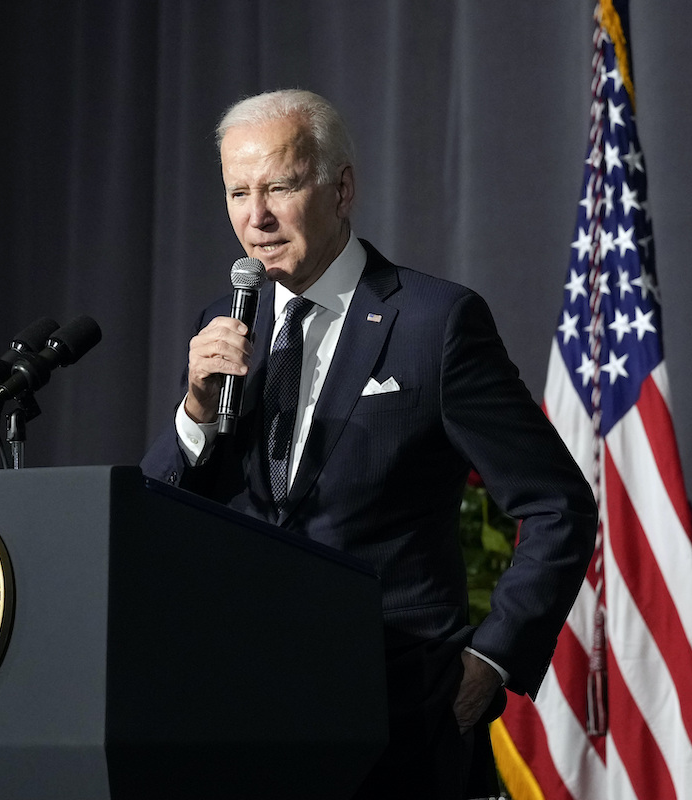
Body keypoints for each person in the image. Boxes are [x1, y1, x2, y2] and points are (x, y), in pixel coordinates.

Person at [141, 88, 596, 799]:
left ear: (341, 187)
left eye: (280, 187)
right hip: (246, 720)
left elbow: (558, 505)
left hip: (401, 721)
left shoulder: (433, 323)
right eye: (237, 192)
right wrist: (195, 411)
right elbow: (158, 514)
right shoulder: (224, 324)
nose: (256, 217)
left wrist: (492, 661)